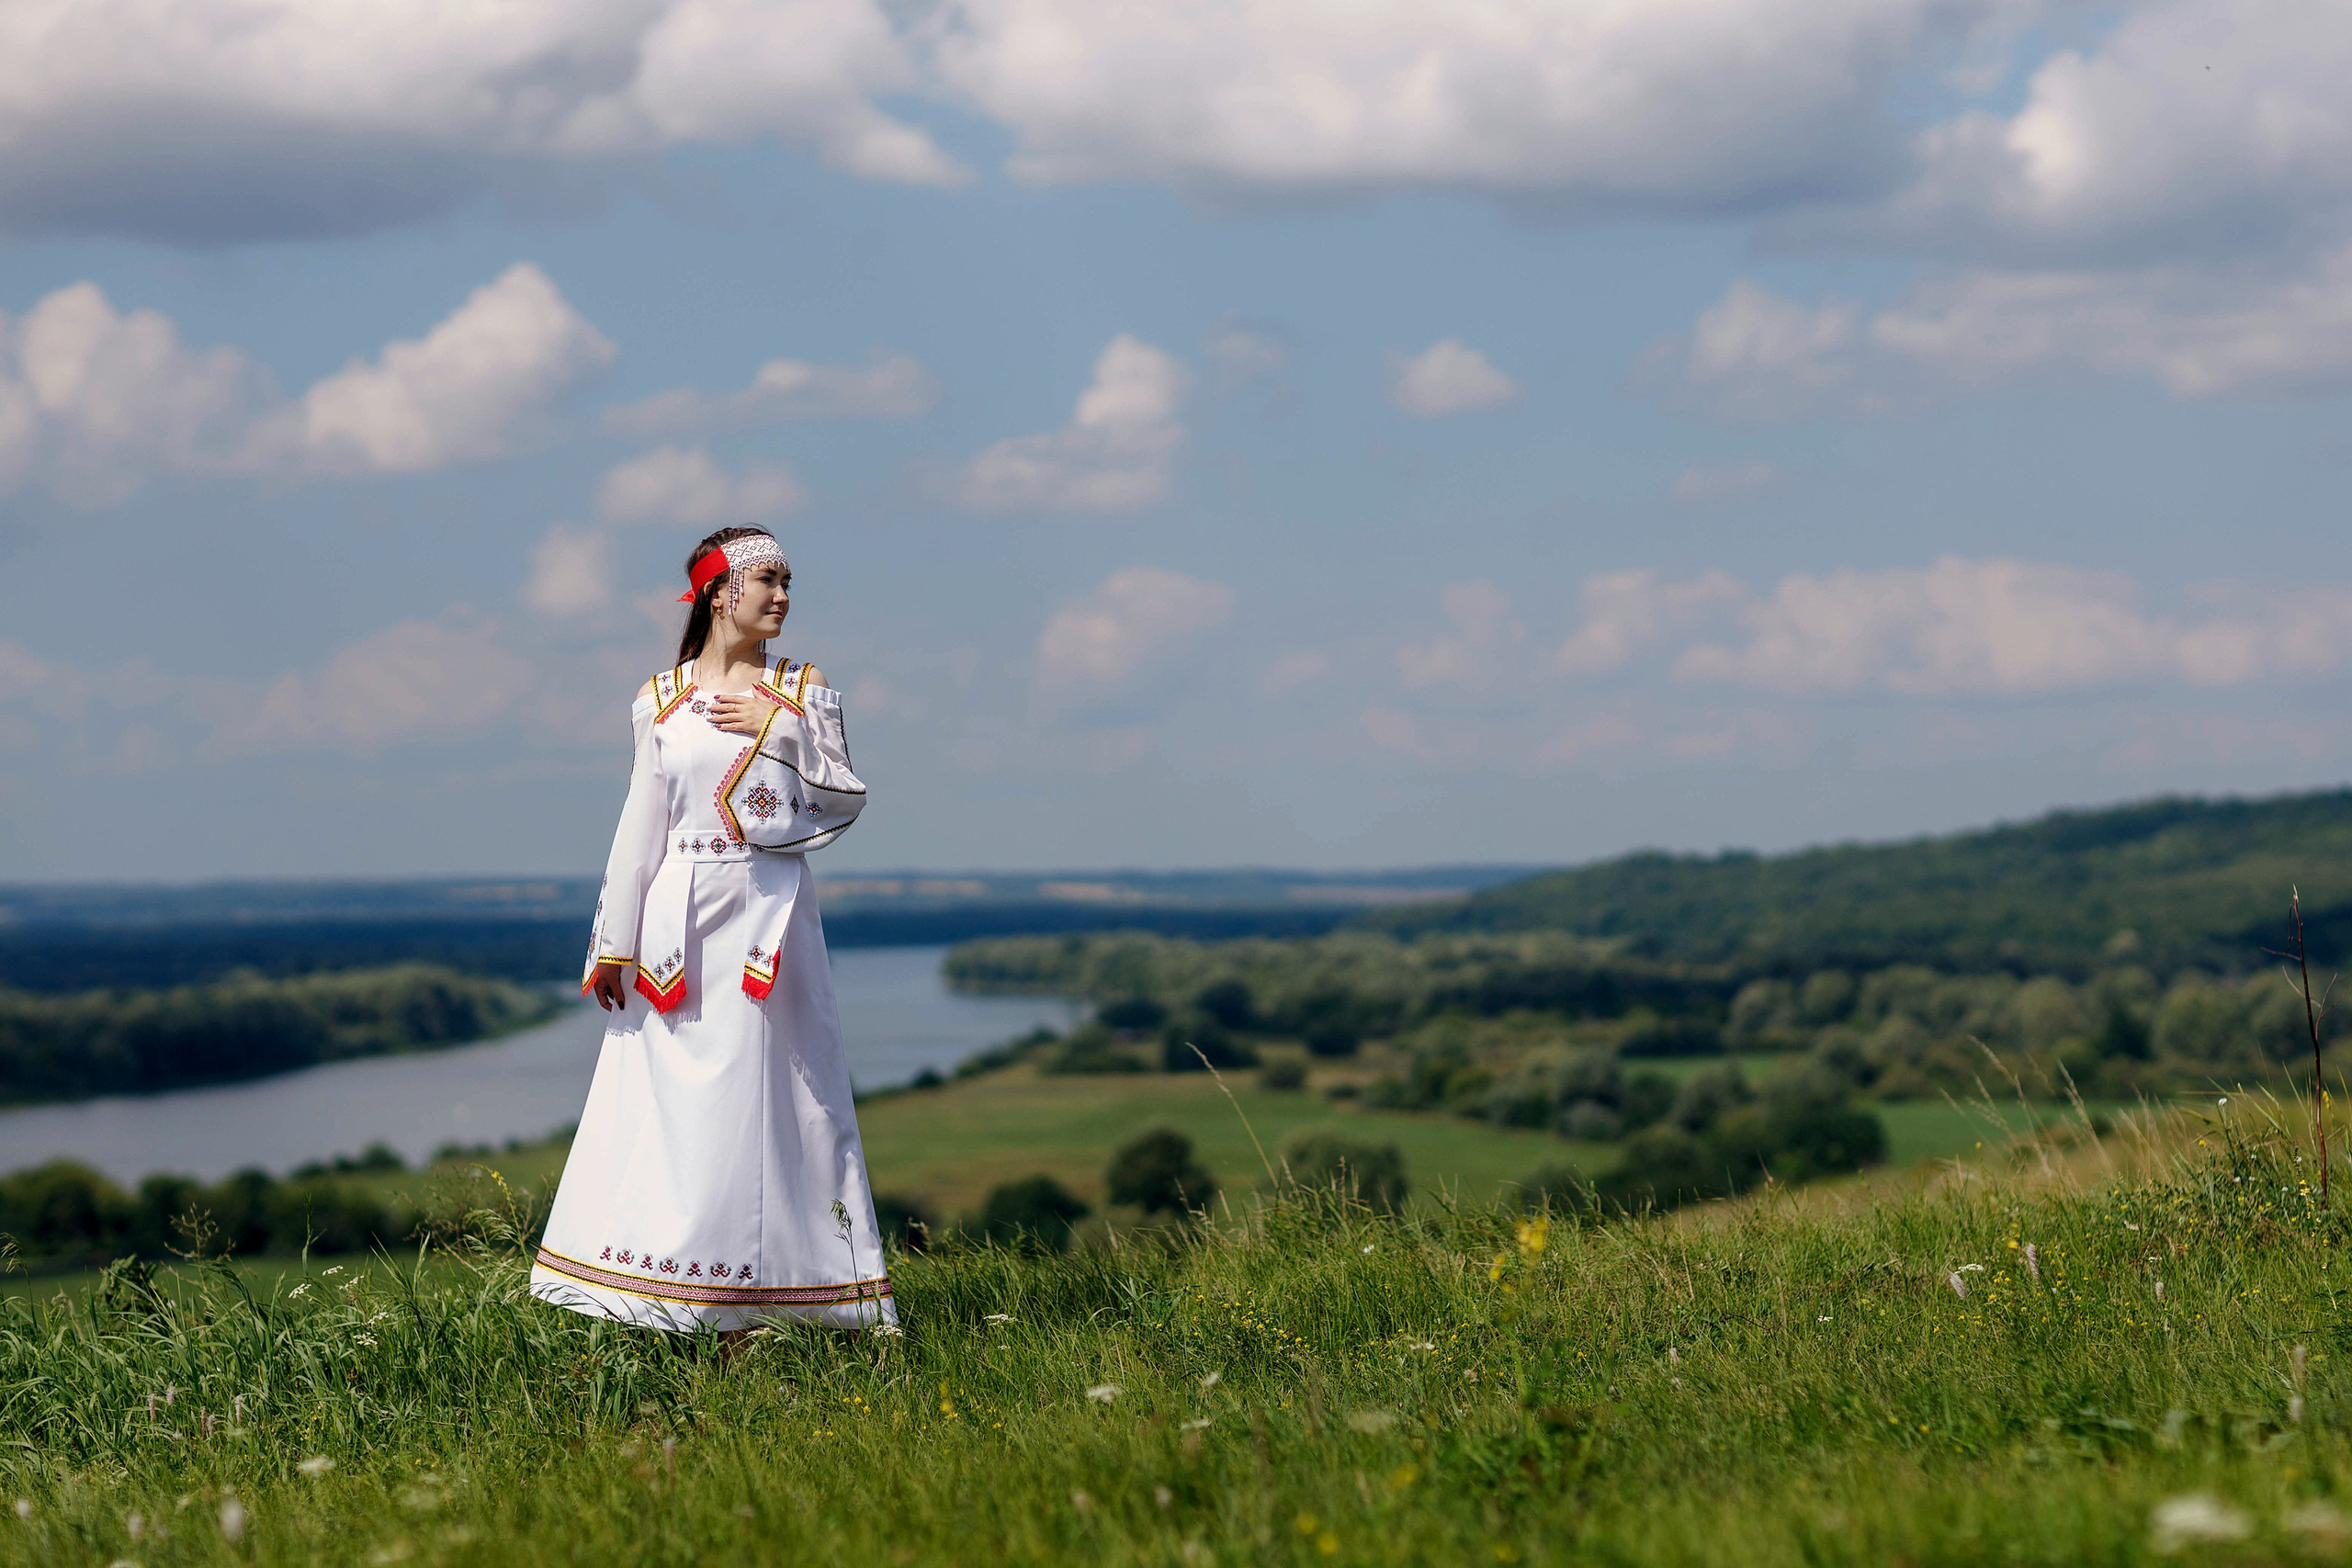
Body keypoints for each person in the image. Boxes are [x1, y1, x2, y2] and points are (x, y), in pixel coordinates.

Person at [528, 526, 895, 1337]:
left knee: (786, 1105)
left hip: (770, 921)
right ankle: (668, 1302)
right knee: (675, 1114)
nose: (783, 596)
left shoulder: (802, 684)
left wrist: (779, 721)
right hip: (676, 934)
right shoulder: (658, 698)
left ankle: (797, 1302)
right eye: (766, 579)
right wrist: (613, 944)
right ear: (718, 590)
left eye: (789, 580)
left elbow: (842, 799)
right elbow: (640, 825)